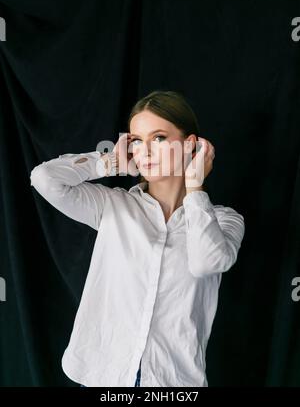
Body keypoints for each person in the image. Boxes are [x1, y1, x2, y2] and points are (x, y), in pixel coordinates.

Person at [30, 90, 245, 387]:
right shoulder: (113, 206)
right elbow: (44, 179)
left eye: (158, 138)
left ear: (190, 145)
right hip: (102, 377)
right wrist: (110, 164)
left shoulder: (223, 220)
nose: (145, 152)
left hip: (172, 383)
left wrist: (195, 189)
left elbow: (207, 263)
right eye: (137, 142)